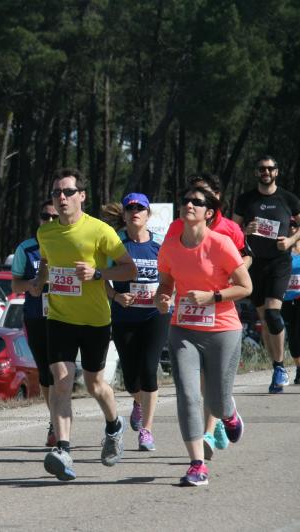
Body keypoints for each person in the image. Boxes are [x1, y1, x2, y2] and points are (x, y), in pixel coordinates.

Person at [30, 168, 137, 481]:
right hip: (59, 317)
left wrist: (98, 274)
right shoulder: (45, 233)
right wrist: (39, 280)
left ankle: (114, 424)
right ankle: (63, 449)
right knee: (61, 381)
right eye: (56, 193)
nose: (61, 198)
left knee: (94, 385)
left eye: (68, 192)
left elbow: (128, 270)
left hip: (94, 321)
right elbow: (47, 262)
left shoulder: (100, 231)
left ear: (81, 196)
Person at [156, 185, 250, 486]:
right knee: (186, 394)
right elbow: (166, 283)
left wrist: (212, 296)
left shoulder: (221, 244)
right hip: (184, 329)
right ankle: (197, 464)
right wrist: (162, 298)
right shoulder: (170, 246)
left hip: (223, 329)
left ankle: (230, 414)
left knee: (217, 401)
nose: (188, 205)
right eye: (185, 200)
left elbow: (246, 287)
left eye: (196, 202)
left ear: (208, 213)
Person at [104, 193, 170, 452]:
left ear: (148, 214)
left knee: (149, 370)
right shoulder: (116, 244)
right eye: (130, 207)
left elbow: (171, 277)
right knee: (131, 379)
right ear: (124, 214)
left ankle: (147, 430)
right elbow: (100, 277)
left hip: (155, 315)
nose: (135, 212)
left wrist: (166, 297)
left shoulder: (160, 245)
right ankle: (137, 402)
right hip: (125, 315)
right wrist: (117, 296)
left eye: (140, 208)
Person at [233, 156, 300, 394]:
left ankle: (280, 367)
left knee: (273, 314)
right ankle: (277, 366)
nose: (266, 172)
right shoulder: (246, 199)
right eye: (262, 168)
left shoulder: (288, 198)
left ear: (277, 172)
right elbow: (233, 230)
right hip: (255, 263)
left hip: (280, 262)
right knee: (264, 318)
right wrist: (245, 230)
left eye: (270, 168)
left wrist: (291, 240)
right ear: (256, 172)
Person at [10, 199, 58, 447]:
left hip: (67, 315)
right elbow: (15, 284)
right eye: (44, 216)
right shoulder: (26, 249)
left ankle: (61, 421)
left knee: (61, 370)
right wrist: (32, 285)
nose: (49, 221)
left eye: (54, 216)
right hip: (37, 316)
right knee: (46, 373)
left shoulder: (69, 244)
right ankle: (55, 419)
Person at [280, 219, 300, 385]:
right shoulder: (281, 248)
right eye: (289, 225)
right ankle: (299, 367)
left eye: (295, 225)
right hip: (286, 298)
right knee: (293, 337)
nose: (292, 228)